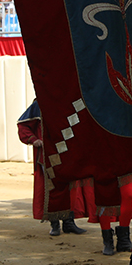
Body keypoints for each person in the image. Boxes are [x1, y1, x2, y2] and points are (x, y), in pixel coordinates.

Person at [16, 100, 89, 237]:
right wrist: (33, 139)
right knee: (52, 188)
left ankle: (69, 222)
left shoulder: (69, 99)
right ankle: (54, 224)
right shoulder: (40, 103)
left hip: (68, 152)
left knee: (70, 188)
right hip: (48, 154)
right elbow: (23, 125)